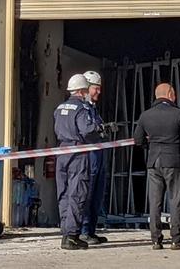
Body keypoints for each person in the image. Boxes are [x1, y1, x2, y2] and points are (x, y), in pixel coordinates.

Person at [133, 83, 180, 250]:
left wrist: (150, 148)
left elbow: (137, 139)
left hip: (153, 162)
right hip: (173, 161)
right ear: (170, 94)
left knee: (155, 201)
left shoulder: (145, 115)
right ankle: (176, 239)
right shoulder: (178, 113)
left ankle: (156, 240)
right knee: (175, 200)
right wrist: (178, 148)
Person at [53, 74, 95, 250]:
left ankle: (66, 232)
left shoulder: (59, 108)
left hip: (62, 152)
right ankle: (71, 236)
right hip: (77, 152)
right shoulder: (82, 108)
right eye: (86, 90)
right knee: (77, 192)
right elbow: (86, 130)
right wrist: (99, 130)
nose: (87, 93)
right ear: (81, 91)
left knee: (63, 193)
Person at [79, 71, 108, 245]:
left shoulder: (93, 109)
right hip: (89, 160)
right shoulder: (82, 109)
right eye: (96, 88)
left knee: (97, 196)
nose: (98, 92)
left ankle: (91, 230)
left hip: (98, 158)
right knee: (87, 195)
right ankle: (83, 230)